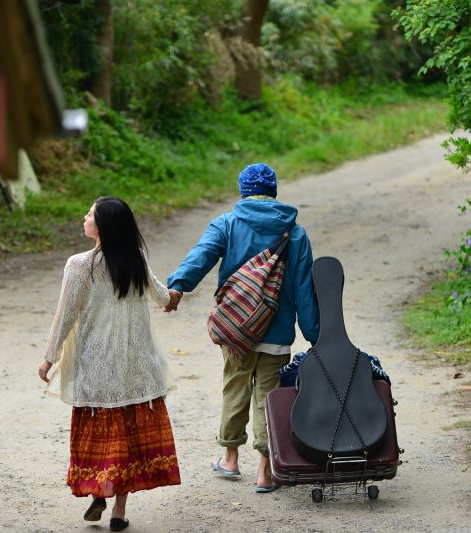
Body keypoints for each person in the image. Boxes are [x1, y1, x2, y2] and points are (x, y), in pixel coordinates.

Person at [165, 163, 319, 493]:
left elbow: (201, 255)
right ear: (274, 191)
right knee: (270, 398)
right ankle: (266, 471)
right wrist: (315, 333)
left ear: (243, 191)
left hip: (237, 331)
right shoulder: (296, 233)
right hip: (276, 333)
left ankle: (231, 459)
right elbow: (305, 288)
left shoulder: (228, 224)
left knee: (235, 389)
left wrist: (178, 287)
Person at [37, 196, 182, 532]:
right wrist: (176, 296)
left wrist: (49, 357)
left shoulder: (79, 265)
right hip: (135, 370)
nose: (84, 216)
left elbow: (65, 317)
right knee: (129, 440)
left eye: (90, 213)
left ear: (102, 226)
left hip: (95, 370)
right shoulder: (136, 261)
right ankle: (118, 513)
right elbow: (162, 297)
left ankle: (99, 489)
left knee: (103, 437)